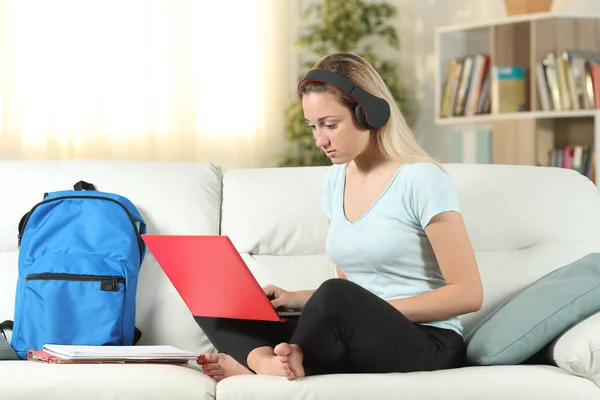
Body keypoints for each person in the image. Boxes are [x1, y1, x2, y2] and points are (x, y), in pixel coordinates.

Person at [195, 52, 483, 382]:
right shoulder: (336, 180)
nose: (320, 140)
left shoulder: (422, 180)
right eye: (314, 127)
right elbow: (354, 290)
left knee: (334, 293)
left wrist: (366, 308)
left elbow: (468, 293)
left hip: (426, 341)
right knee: (217, 298)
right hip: (359, 333)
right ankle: (266, 362)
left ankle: (263, 364)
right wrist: (298, 299)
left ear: (369, 114)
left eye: (330, 125)